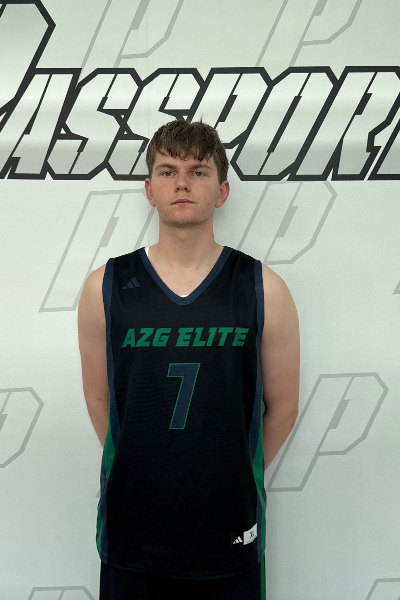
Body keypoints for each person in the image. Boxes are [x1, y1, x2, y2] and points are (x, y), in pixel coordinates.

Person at [78, 119, 300, 600]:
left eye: (198, 171)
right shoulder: (105, 286)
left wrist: (228, 468)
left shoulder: (264, 287)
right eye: (167, 171)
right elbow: (99, 398)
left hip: (228, 526)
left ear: (222, 191)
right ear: (149, 189)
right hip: (133, 525)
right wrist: (144, 461)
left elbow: (283, 408)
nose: (182, 183)